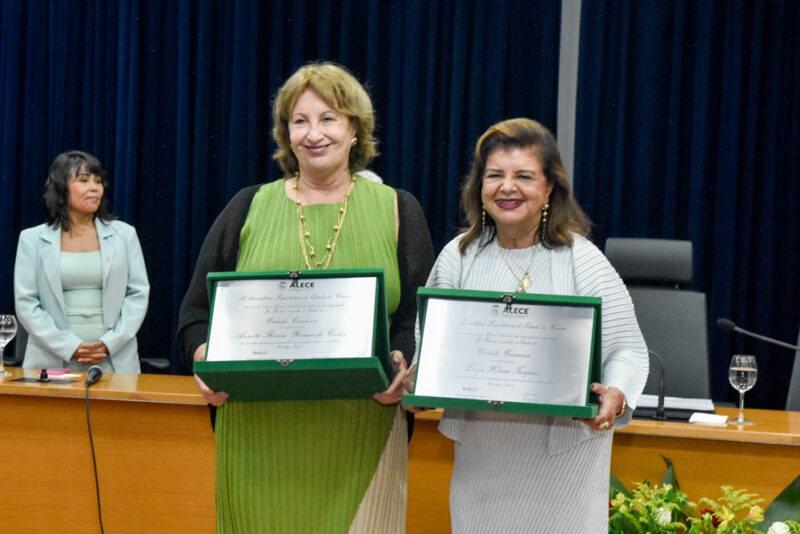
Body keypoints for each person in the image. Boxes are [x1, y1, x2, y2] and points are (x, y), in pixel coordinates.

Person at [177, 62, 434, 533]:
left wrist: (403, 360)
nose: (314, 133)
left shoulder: (398, 208)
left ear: (355, 128)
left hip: (362, 429)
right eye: (300, 120)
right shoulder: (247, 206)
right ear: (286, 134)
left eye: (329, 118)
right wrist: (204, 354)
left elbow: (417, 317)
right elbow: (195, 312)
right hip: (258, 437)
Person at [419, 118, 648, 532]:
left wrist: (615, 393)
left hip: (565, 466)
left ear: (549, 188)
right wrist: (417, 375)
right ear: (479, 186)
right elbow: (429, 344)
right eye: (495, 176)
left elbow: (628, 349)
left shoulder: (581, 257)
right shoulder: (459, 255)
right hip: (483, 462)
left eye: (524, 176)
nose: (507, 187)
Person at [14, 150, 150, 373]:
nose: (95, 187)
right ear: (61, 187)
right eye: (84, 180)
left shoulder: (124, 235)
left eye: (98, 181)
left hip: (114, 359)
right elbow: (26, 303)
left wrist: (109, 344)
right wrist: (70, 346)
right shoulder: (32, 240)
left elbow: (138, 294)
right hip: (51, 359)